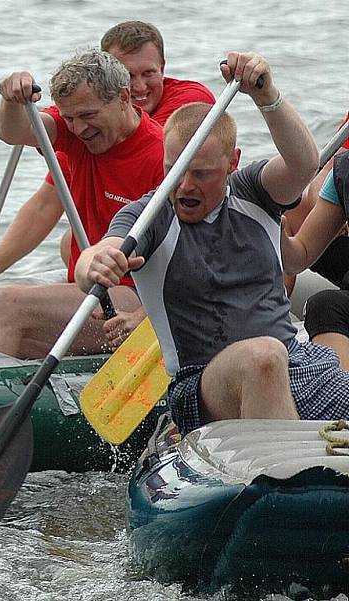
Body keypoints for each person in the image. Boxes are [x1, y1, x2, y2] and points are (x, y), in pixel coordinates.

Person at [77, 53, 349, 436]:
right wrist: (96, 261)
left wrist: (266, 95)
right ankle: (291, 477)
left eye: (201, 174)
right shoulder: (151, 213)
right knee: (262, 356)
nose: (184, 185)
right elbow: (101, 251)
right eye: (174, 170)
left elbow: (304, 165)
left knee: (274, 356)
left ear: (232, 163)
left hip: (300, 364)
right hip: (202, 384)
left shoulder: (255, 191)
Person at [0, 48, 165, 358]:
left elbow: (192, 254)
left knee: (7, 306)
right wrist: (12, 101)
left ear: (124, 98)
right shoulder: (75, 133)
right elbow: (13, 132)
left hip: (131, 300)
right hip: (81, 290)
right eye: (70, 118)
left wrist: (144, 318)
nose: (79, 128)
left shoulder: (160, 154)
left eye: (88, 115)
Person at [55, 20, 216, 267]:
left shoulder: (189, 102)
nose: (138, 86)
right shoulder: (84, 117)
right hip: (112, 250)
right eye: (128, 76)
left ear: (162, 68)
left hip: (149, 264)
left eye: (148, 73)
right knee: (70, 242)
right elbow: (47, 198)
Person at [283, 129, 349, 369]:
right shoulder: (343, 171)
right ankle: (341, 398)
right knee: (323, 305)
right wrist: (277, 230)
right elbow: (300, 254)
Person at [282, 110, 349, 295]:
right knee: (322, 307)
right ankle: (275, 306)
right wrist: (279, 236)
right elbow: (326, 173)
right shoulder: (344, 168)